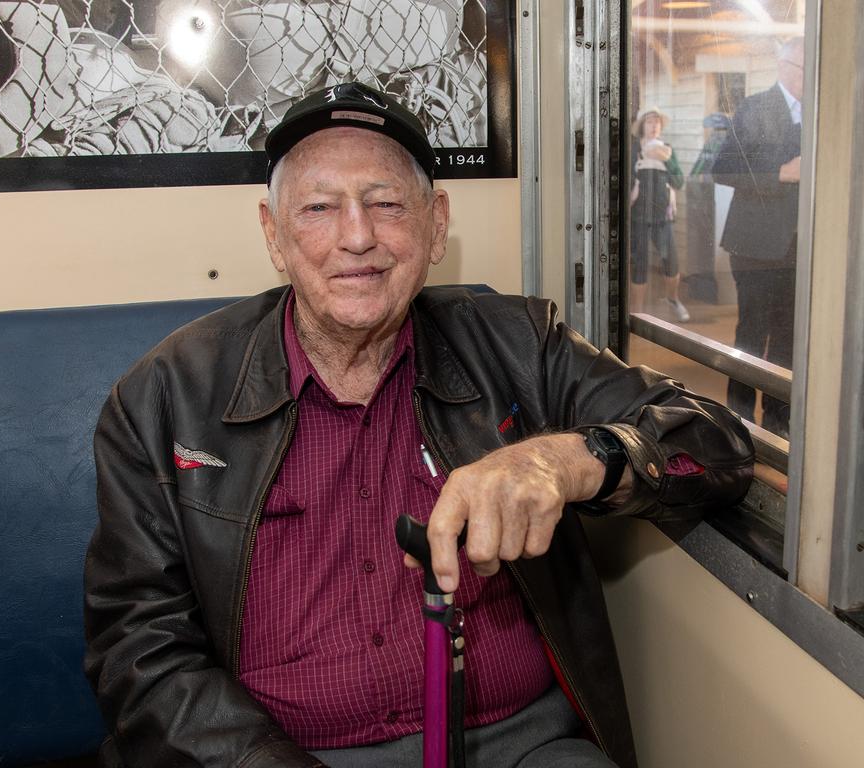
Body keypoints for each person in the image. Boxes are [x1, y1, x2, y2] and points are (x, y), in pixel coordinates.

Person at [84, 82, 754, 768]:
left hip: (519, 744)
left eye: (386, 203)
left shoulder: (522, 344)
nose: (357, 236)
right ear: (272, 234)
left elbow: (717, 444)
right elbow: (138, 651)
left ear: (436, 225)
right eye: (318, 207)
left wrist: (568, 460)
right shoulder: (164, 396)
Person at [711, 37, 804, 438]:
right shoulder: (754, 108)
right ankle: (740, 422)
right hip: (753, 248)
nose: (811, 78)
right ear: (784, 67)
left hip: (801, 249)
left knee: (787, 339)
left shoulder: (821, 113)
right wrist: (781, 174)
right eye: (805, 69)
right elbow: (723, 170)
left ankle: (778, 423)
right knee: (751, 336)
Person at [629, 107, 688, 321]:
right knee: (640, 265)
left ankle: (673, 299)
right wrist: (644, 157)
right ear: (642, 125)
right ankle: (636, 314)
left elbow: (679, 181)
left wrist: (667, 160)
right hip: (638, 218)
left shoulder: (667, 150)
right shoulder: (634, 148)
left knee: (671, 263)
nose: (654, 126)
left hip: (663, 218)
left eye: (657, 122)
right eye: (650, 121)